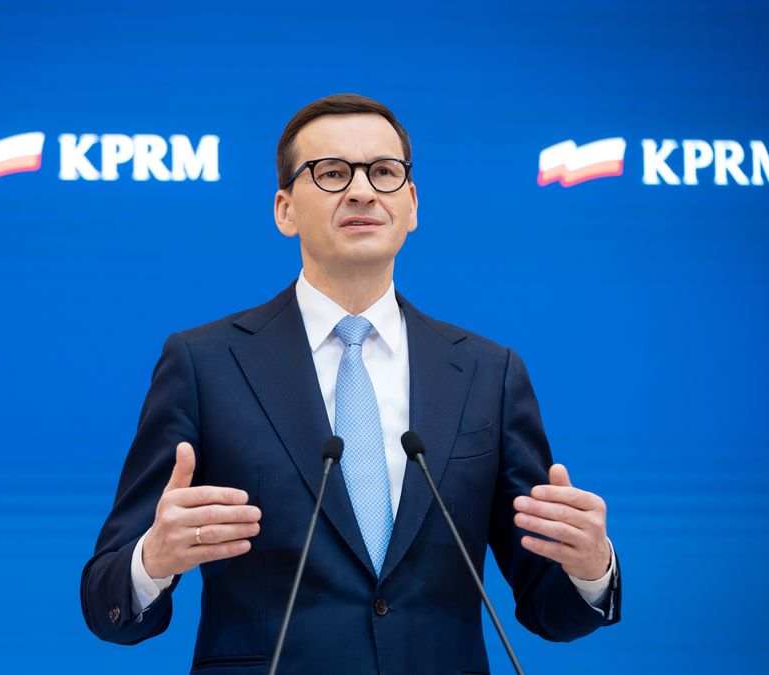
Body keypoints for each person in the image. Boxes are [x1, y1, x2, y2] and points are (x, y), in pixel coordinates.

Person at [81, 94, 621, 674]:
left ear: (411, 205)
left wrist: (591, 568)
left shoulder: (488, 373)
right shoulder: (204, 364)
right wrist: (153, 560)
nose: (363, 191)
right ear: (284, 210)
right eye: (332, 173)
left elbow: (550, 609)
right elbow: (104, 598)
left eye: (385, 172)